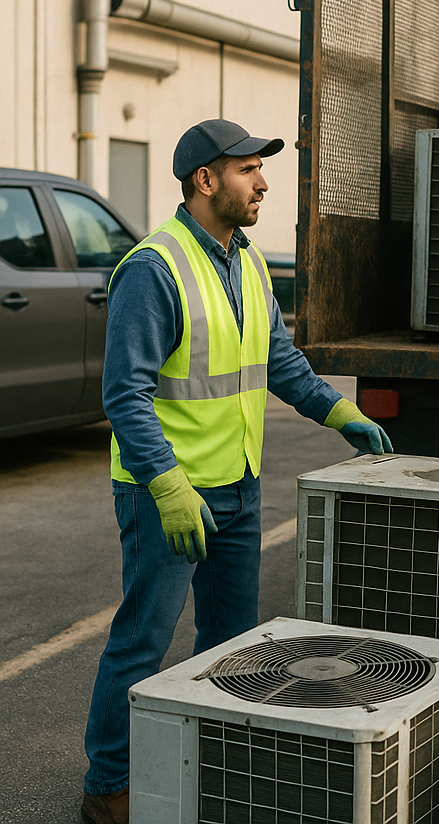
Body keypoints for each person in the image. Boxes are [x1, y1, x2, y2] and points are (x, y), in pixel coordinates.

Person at [81, 119, 393, 824]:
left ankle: (216, 765)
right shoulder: (153, 268)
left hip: (238, 483)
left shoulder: (246, 259)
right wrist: (166, 486)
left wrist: (339, 414)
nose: (263, 183)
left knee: (232, 642)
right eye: (249, 169)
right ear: (206, 180)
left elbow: (278, 361)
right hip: (169, 494)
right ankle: (107, 787)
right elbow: (123, 395)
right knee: (141, 643)